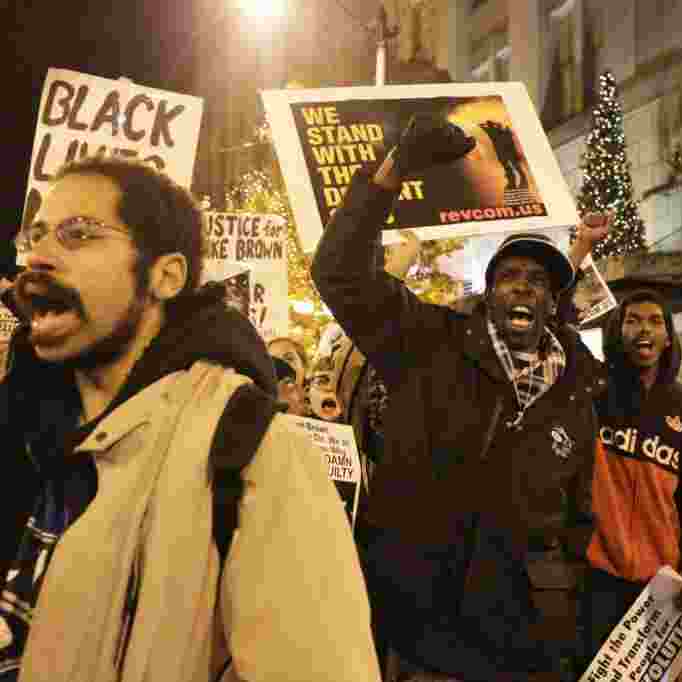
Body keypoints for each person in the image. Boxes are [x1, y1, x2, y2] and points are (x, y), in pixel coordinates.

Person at [0, 157, 379, 681]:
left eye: (79, 233)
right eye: (37, 234)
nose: (37, 256)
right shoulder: (22, 428)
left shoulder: (255, 452)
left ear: (165, 276)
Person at [311, 113, 604, 681]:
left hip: (525, 644)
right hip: (425, 635)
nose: (523, 285)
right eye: (510, 275)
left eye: (539, 280)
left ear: (552, 302)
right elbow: (340, 273)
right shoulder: (428, 342)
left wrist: (560, 606)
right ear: (488, 293)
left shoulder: (575, 391)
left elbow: (576, 517)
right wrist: (391, 173)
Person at [577, 287, 682, 665]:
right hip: (597, 574)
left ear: (668, 336)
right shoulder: (594, 395)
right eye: (632, 320)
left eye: (655, 321)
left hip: (662, 579)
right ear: (617, 332)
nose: (644, 330)